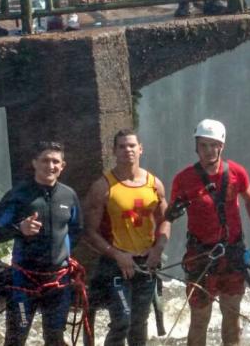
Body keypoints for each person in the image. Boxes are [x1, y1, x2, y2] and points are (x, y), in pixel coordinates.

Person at [168, 119, 250, 346]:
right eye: (204, 145)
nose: (209, 150)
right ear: (196, 146)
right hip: (200, 256)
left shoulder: (236, 173)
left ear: (222, 145)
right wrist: (172, 213)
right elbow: (169, 214)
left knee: (232, 316)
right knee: (200, 319)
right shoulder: (183, 179)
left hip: (232, 253)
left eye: (214, 145)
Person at [0, 141, 82, 346]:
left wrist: (62, 258)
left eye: (56, 161)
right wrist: (19, 229)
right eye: (45, 160)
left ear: (63, 166)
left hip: (58, 282)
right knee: (16, 339)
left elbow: (75, 231)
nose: (51, 166)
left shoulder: (69, 195)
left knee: (55, 339)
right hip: (24, 281)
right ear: (34, 163)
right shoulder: (18, 195)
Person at [83, 129, 169, 346]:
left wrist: (157, 250)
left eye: (131, 145)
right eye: (121, 146)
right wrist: (117, 256)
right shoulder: (102, 186)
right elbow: (89, 232)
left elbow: (165, 220)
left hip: (146, 264)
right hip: (116, 265)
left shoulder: (154, 184)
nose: (127, 150)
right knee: (123, 320)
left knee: (140, 323)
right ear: (114, 151)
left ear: (140, 148)